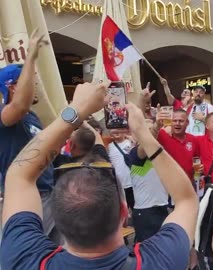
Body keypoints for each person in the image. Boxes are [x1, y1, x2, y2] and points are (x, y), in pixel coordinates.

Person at [0, 81, 199, 269]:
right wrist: (143, 134)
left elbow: (19, 174)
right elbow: (187, 200)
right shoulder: (159, 262)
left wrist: (75, 111)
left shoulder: (24, 259)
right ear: (123, 212)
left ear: (57, 219)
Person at [0, 31, 57, 240]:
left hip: (49, 194)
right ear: (11, 88)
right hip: (26, 199)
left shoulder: (32, 117)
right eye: (30, 79)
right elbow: (19, 106)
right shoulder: (5, 113)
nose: (35, 84)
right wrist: (30, 58)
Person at [156, 109, 200, 181]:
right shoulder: (162, 135)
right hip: (168, 185)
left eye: (181, 121)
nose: (177, 123)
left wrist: (198, 174)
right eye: (174, 120)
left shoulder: (193, 139)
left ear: (187, 123)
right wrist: (157, 125)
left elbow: (197, 160)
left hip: (189, 184)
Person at [107, 130, 135, 211]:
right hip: (119, 184)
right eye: (114, 129)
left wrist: (130, 138)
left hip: (133, 182)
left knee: (135, 207)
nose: (116, 131)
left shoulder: (130, 142)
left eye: (119, 128)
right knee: (122, 210)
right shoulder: (109, 147)